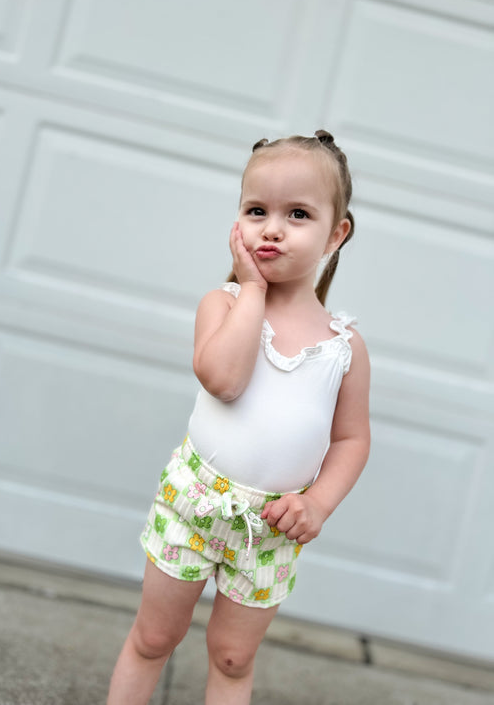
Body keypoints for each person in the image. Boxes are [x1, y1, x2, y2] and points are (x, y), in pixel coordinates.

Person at [107, 130, 371, 704]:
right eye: (257, 211)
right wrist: (249, 289)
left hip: (270, 531)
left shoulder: (342, 346)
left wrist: (318, 502)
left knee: (233, 656)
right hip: (196, 503)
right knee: (155, 637)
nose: (271, 228)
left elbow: (351, 438)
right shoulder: (223, 305)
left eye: (297, 213)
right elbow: (223, 379)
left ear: (336, 233)